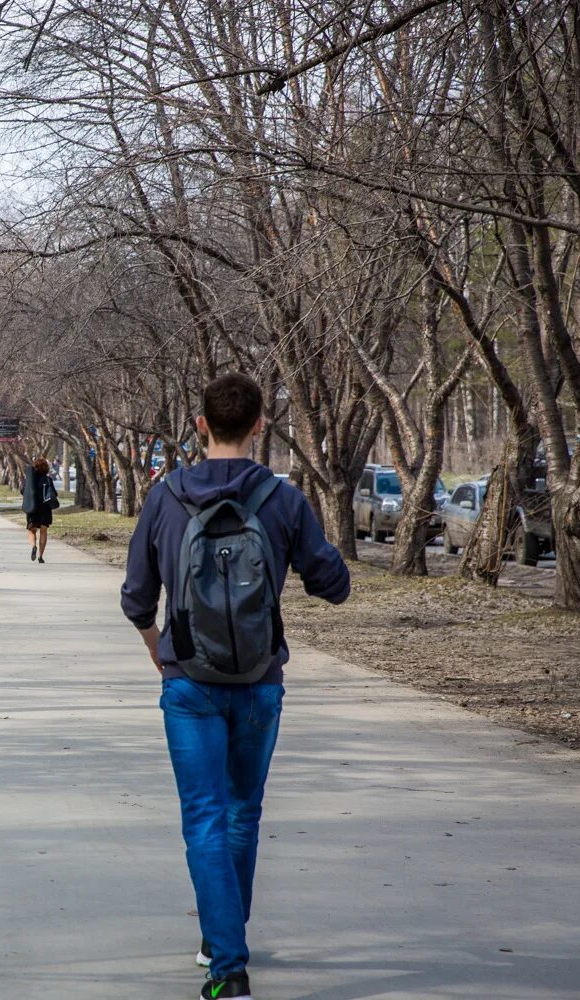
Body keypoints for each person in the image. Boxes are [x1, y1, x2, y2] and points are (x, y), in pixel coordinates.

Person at [120, 373, 350, 1000]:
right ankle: (224, 943)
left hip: (188, 684)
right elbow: (333, 584)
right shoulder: (282, 499)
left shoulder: (165, 497)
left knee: (203, 818)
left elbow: (137, 598)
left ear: (200, 425)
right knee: (242, 813)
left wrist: (158, 652)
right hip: (259, 684)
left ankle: (229, 966)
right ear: (257, 427)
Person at [21, 456, 58, 563]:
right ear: (46, 469)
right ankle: (41, 556)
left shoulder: (30, 481)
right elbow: (54, 494)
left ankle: (33, 546)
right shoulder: (48, 480)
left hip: (32, 507)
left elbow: (22, 491)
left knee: (32, 531)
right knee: (43, 532)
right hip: (45, 509)